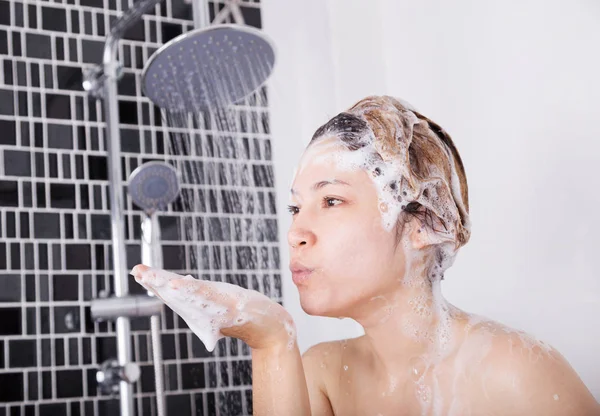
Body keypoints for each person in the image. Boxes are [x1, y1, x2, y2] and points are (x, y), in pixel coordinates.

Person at [131, 96, 599, 415]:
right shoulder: (322, 374)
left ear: (422, 224)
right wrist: (271, 342)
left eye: (331, 200)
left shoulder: (516, 373)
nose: (295, 231)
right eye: (295, 208)